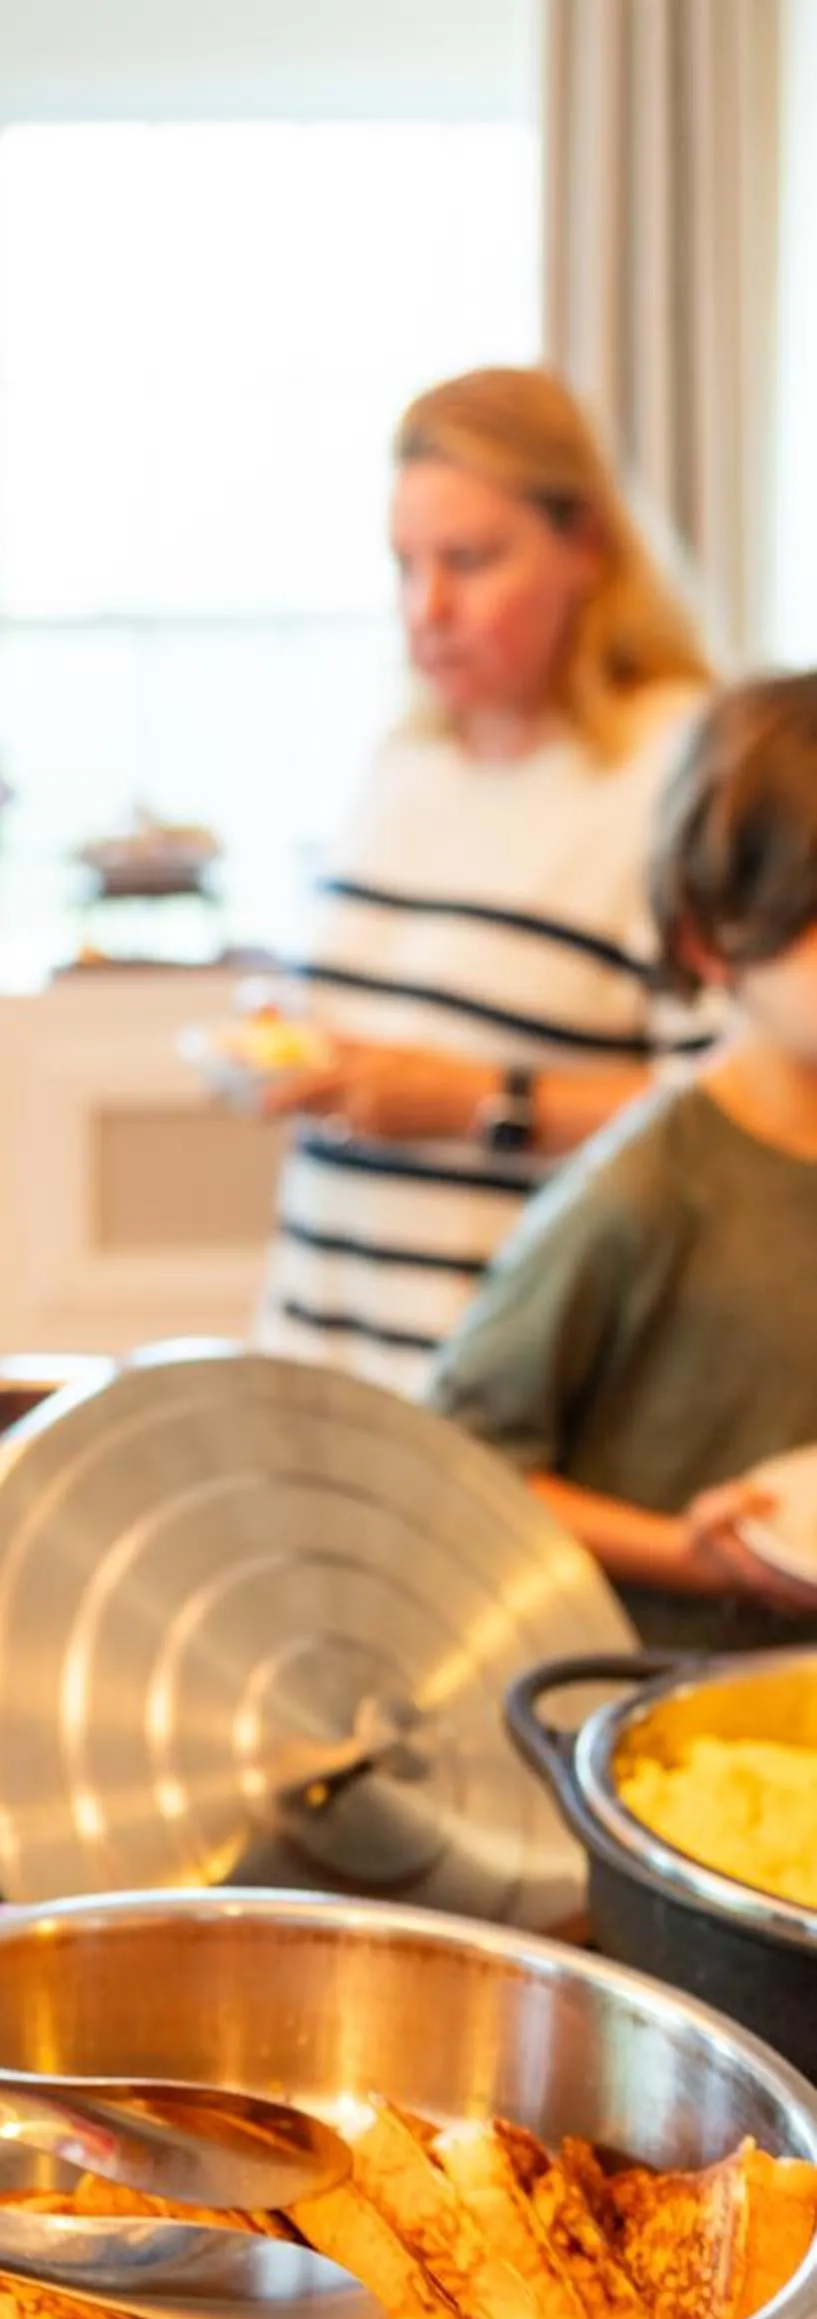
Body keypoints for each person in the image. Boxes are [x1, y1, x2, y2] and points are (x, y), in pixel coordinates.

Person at [239, 366, 712, 1392]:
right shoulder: (403, 761)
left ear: (585, 549)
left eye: (470, 560)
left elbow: (735, 1115)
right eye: (404, 565)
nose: (428, 608)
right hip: (324, 1353)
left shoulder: (677, 770)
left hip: (523, 1394)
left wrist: (479, 1103)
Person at [429, 674, 817, 1651]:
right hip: (654, 1712)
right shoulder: (642, 1190)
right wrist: (685, 1554)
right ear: (711, 937)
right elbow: (456, 1466)